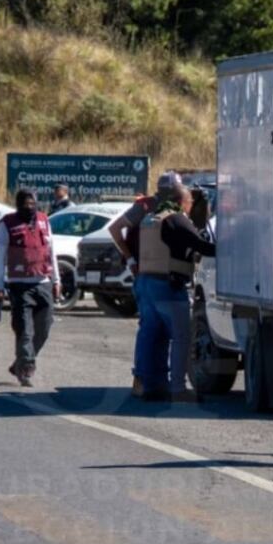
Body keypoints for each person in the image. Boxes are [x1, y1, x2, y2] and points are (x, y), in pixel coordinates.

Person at [136, 185, 216, 401]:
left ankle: (148, 385)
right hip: (167, 286)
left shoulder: (151, 218)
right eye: (190, 202)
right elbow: (201, 245)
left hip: (146, 283)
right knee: (181, 337)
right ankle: (178, 389)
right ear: (182, 202)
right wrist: (229, 251)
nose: (191, 207)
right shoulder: (177, 219)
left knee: (151, 336)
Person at [109, 172, 183, 396]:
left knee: (156, 331)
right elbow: (115, 228)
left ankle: (153, 382)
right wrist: (131, 259)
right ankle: (144, 380)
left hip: (153, 276)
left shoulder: (161, 206)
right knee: (154, 331)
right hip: (150, 276)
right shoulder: (145, 206)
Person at [0, 190, 61, 387]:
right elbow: (0, 256)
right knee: (24, 331)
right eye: (25, 204)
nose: (29, 207)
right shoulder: (7, 223)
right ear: (18, 204)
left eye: (32, 204)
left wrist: (56, 280)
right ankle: (26, 369)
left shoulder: (44, 220)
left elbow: (51, 251)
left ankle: (19, 363)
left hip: (43, 282)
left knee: (44, 329)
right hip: (19, 284)